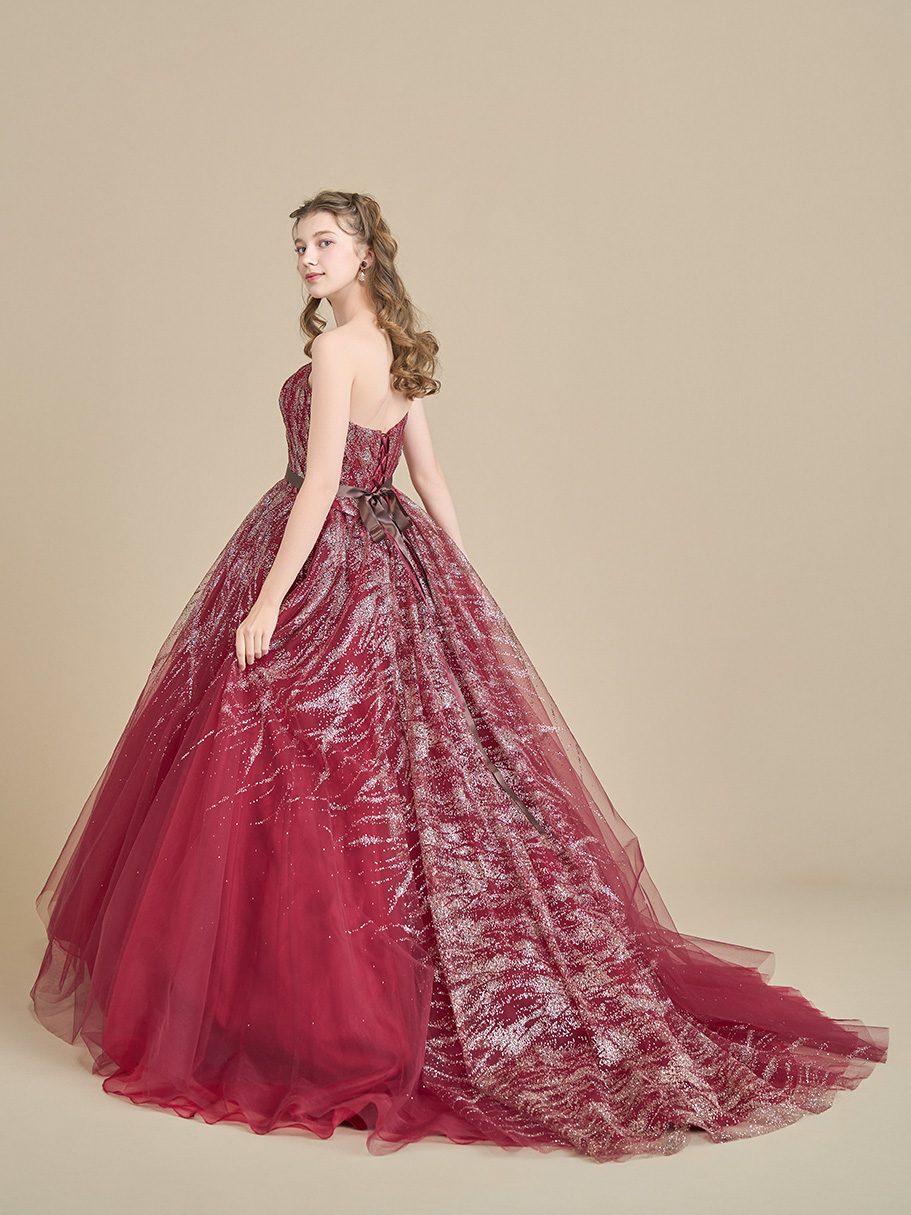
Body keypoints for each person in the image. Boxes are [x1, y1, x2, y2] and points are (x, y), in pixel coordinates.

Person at [29, 189, 888, 1163]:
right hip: (392, 561)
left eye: (324, 242)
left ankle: (294, 1010)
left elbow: (323, 483)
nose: (307, 258)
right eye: (299, 244)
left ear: (364, 252)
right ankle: (324, 995)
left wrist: (268, 601)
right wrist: (459, 580)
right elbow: (426, 478)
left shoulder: (334, 351)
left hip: (327, 561)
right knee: (374, 782)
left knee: (288, 771)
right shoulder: (398, 346)